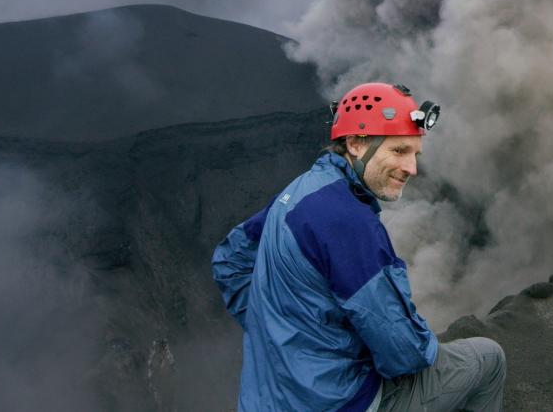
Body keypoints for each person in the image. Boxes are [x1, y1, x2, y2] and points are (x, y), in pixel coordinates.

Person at [212, 81, 506, 411]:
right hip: (339, 403)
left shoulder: (298, 194)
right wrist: (417, 340)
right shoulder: (350, 223)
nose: (412, 169)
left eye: (415, 154)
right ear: (355, 143)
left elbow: (230, 261)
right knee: (488, 358)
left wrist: (280, 330)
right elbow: (404, 353)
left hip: (265, 400)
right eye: (398, 151)